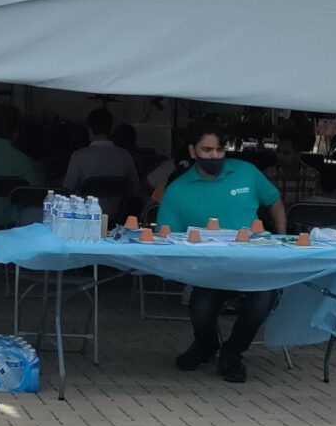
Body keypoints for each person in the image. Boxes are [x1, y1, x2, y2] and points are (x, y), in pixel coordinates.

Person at [157, 119, 286, 383]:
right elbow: (165, 236)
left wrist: (282, 239)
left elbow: (274, 201)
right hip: (209, 269)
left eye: (218, 150)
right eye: (207, 150)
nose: (214, 156)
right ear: (192, 152)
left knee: (263, 300)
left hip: (254, 264)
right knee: (201, 310)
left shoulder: (247, 172)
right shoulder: (178, 190)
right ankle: (205, 347)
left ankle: (233, 352)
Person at [62, 108, 138, 218]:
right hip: (115, 216)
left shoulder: (79, 156)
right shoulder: (125, 156)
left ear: (89, 128)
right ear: (111, 129)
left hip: (83, 217)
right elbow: (135, 189)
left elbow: (67, 189)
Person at [262, 134, 320, 209]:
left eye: (286, 153)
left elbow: (316, 206)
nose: (280, 156)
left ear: (298, 154)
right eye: (278, 152)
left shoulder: (312, 176)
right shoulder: (268, 175)